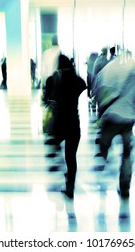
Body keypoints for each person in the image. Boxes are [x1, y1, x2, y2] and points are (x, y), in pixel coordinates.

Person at [92, 51, 135, 198]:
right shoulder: (133, 72)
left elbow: (98, 94)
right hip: (128, 118)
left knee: (104, 141)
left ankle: (102, 157)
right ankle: (125, 187)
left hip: (111, 117)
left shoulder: (105, 71)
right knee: (127, 154)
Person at [43, 54, 86, 199]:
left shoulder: (52, 79)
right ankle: (70, 187)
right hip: (73, 123)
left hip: (58, 124)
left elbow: (46, 99)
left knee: (54, 144)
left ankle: (56, 161)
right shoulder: (76, 80)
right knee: (71, 158)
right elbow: (83, 85)